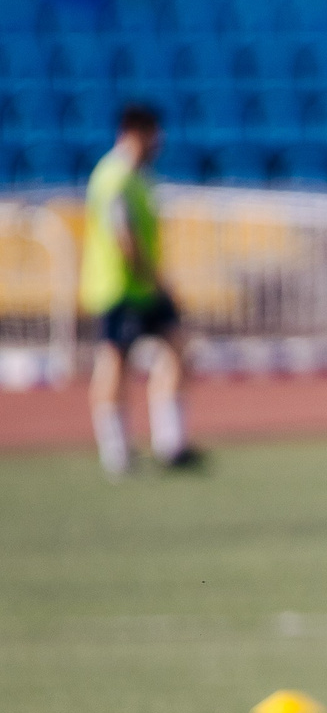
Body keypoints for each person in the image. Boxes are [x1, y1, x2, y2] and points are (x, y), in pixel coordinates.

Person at [82, 104, 202, 477]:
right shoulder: (114, 177)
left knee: (179, 347)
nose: (158, 142)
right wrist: (151, 276)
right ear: (135, 133)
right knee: (115, 363)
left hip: (144, 286)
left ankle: (171, 442)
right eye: (153, 134)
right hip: (121, 288)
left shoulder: (140, 177)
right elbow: (124, 236)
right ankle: (116, 449)